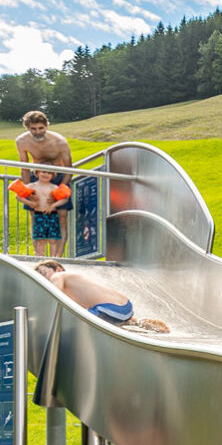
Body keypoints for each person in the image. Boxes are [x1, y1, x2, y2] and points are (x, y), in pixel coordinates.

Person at [35, 260, 170, 331]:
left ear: (58, 268)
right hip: (125, 307)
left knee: (79, 322)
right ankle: (139, 322)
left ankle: (130, 323)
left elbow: (54, 293)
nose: (43, 278)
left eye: (44, 273)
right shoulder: (74, 285)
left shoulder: (58, 275)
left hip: (110, 308)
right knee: (101, 317)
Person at [14, 110, 75, 254]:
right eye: (33, 129)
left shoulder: (59, 141)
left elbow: (69, 168)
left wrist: (60, 191)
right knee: (35, 216)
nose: (37, 132)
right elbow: (24, 167)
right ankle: (38, 255)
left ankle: (58, 256)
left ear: (47, 125)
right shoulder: (22, 141)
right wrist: (28, 191)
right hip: (37, 176)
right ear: (27, 128)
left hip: (59, 177)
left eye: (41, 128)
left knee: (61, 217)